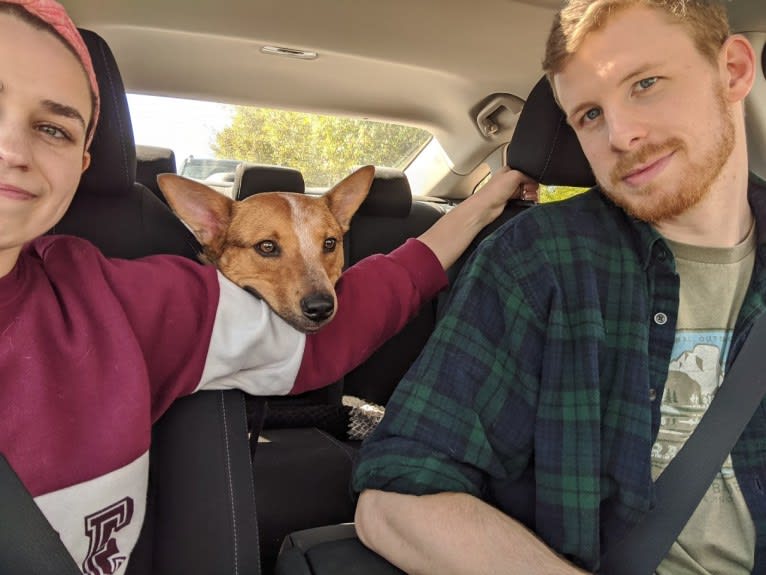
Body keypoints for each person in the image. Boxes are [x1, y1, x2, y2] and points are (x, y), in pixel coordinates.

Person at [0, 0, 535, 571]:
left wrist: (488, 202)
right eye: (269, 249)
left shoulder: (130, 306)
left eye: (51, 127)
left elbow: (358, 309)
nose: (11, 151)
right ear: (211, 230)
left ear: (83, 160)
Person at [353, 1, 766, 573]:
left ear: (735, 72)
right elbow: (396, 496)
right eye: (590, 115)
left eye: (645, 83)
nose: (621, 134)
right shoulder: (537, 262)